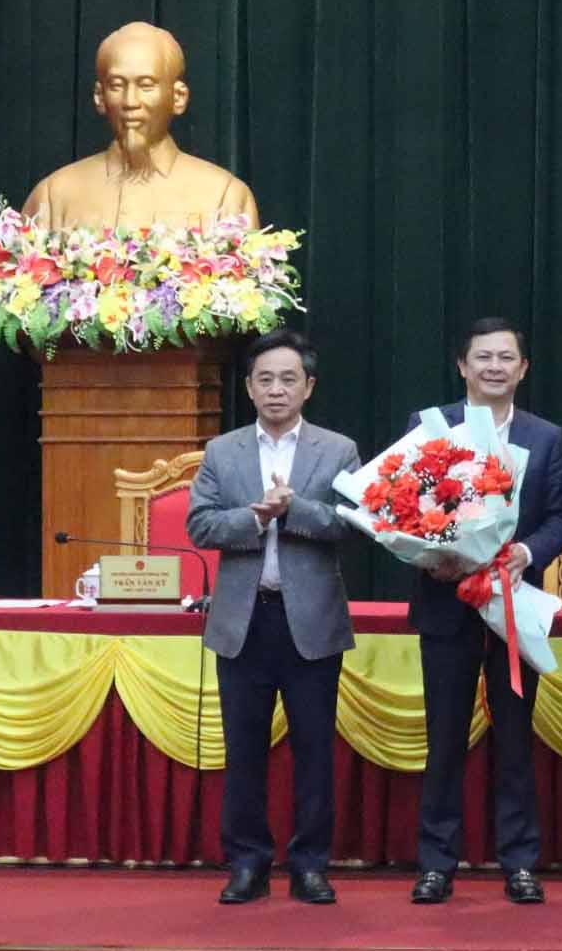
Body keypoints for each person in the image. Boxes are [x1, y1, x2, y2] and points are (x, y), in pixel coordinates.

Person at [186, 330, 360, 905]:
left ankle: (310, 865)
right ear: (249, 387)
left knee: (314, 752)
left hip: (310, 623)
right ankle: (248, 864)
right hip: (243, 622)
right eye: (266, 379)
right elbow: (201, 526)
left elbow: (353, 524)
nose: (277, 389)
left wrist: (295, 510)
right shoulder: (222, 451)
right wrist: (256, 520)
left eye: (289, 379)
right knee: (243, 753)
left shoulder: (337, 450)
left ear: (308, 387)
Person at [407, 319, 562, 906]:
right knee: (444, 740)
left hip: (512, 604)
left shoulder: (545, 436)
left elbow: (560, 515)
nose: (494, 367)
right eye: (483, 358)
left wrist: (526, 552)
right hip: (446, 602)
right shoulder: (429, 428)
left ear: (523, 369)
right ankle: (436, 862)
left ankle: (520, 862)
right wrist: (432, 552)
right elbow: (403, 504)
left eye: (506, 358)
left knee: (516, 742)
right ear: (463, 366)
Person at [22, 21, 259, 230]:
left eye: (146, 85)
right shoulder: (54, 196)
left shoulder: (224, 196)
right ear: (99, 97)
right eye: (116, 85)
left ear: (178, 97)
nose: (130, 102)